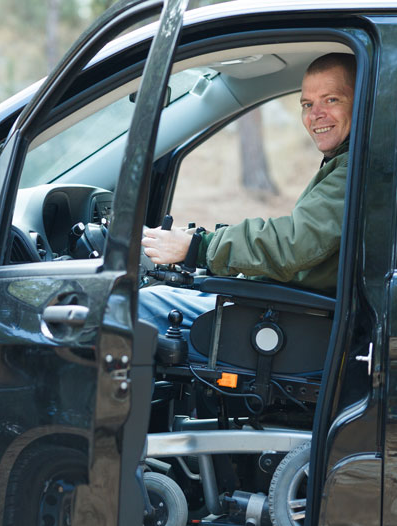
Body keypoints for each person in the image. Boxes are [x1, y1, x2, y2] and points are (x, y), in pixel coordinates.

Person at [139, 52, 356, 341]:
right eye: (307, 104)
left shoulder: (355, 166)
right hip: (285, 304)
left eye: (331, 99)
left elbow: (293, 243)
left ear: (362, 101)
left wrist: (198, 246)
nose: (315, 115)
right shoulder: (344, 163)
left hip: (292, 319)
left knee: (138, 305)